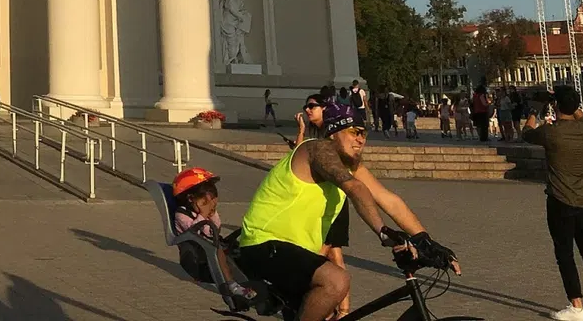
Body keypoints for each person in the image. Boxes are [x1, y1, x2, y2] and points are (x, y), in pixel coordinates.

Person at [234, 105, 459, 321]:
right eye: (354, 132)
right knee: (336, 281)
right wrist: (383, 233)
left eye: (364, 133)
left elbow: (389, 200)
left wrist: (426, 241)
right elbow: (354, 188)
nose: (361, 138)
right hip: (263, 244)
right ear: (333, 133)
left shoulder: (350, 165)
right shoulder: (315, 149)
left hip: (297, 255)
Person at [524, 84, 583, 321]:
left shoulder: (552, 132)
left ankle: (576, 306)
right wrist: (568, 98)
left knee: (565, 253)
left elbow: (527, 132)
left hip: (560, 200)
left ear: (557, 106)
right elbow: (580, 115)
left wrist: (537, 107)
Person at [171, 167, 255, 310]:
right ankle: (233, 286)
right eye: (204, 203)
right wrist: (203, 215)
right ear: (190, 199)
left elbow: (215, 229)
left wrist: (212, 212)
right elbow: (200, 232)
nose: (209, 207)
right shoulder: (181, 215)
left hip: (211, 249)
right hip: (197, 257)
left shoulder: (202, 211)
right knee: (218, 251)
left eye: (212, 203)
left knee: (241, 248)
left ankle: (251, 285)